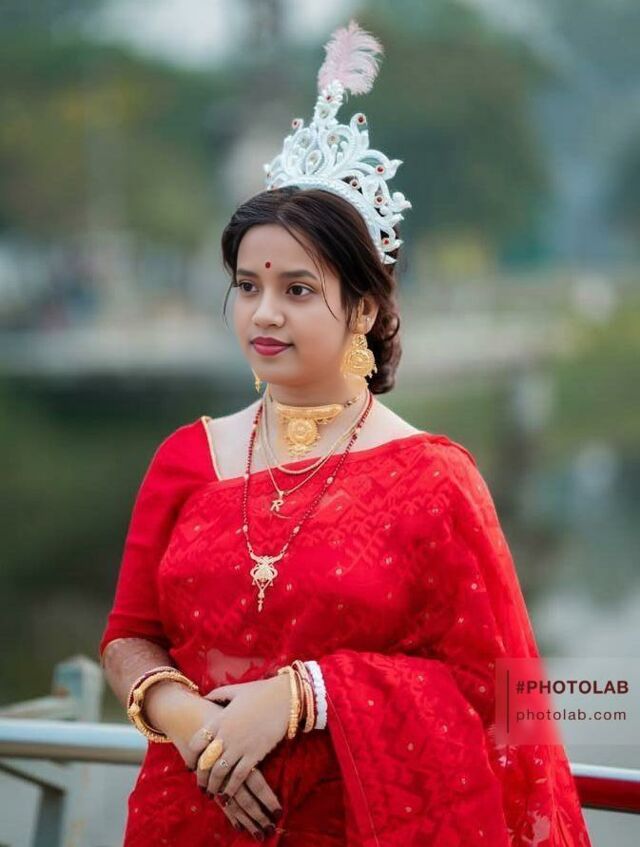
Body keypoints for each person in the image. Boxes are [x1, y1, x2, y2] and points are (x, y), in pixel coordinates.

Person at [99, 19, 592, 847]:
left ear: (363, 306)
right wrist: (191, 721)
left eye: (297, 289)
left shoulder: (432, 480)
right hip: (186, 813)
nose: (263, 313)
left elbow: (494, 692)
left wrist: (304, 696)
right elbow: (129, 636)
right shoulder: (188, 456)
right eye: (247, 285)